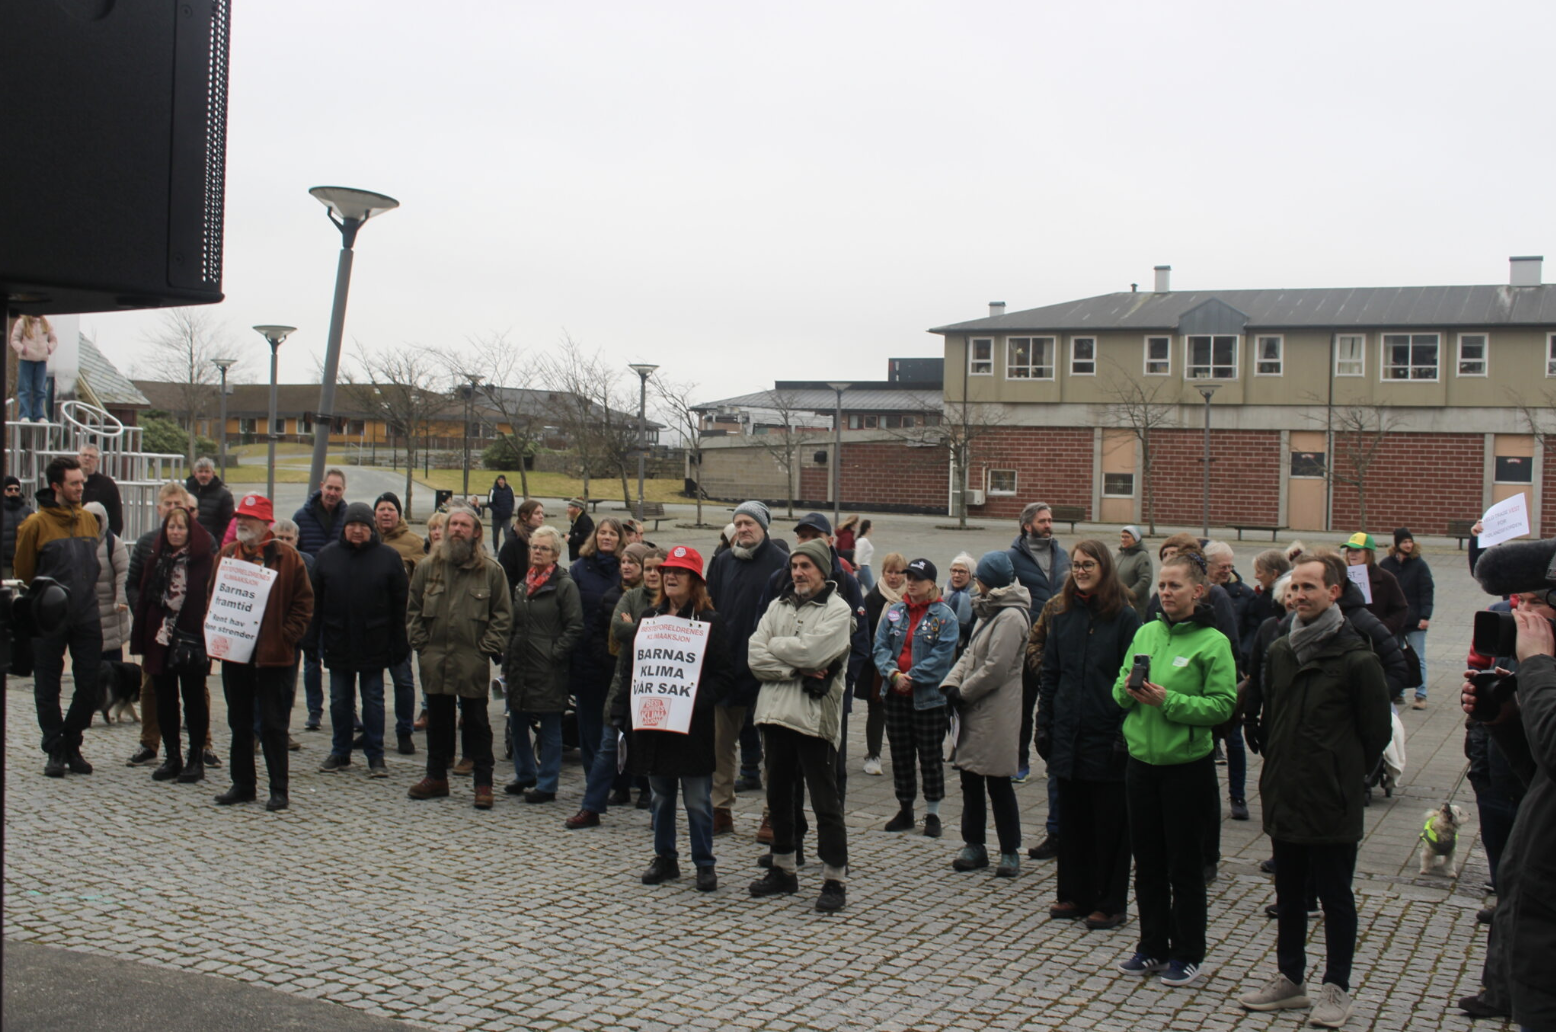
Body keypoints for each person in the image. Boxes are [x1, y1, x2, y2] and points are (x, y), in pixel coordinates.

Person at [1237, 554, 1390, 1029]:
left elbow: (1375, 734)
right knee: (1288, 894)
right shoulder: (1282, 649)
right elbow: (1273, 713)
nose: (1299, 596)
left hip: (1331, 797)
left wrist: (1340, 773)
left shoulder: (1358, 658)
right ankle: (1290, 979)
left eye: (1309, 588)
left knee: (1335, 896)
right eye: (1294, 588)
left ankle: (1336, 987)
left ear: (1334, 592)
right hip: (1286, 790)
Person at [1111, 546, 1236, 989]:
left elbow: (1223, 706)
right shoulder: (1145, 632)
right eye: (1161, 585)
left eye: (1174, 585)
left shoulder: (1212, 642)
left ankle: (1187, 952)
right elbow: (1118, 688)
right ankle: (1151, 946)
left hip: (1186, 768)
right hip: (1141, 763)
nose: (1165, 592)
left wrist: (1170, 701)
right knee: (1147, 862)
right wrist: (1127, 691)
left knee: (1183, 865)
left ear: (1197, 591)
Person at [1459, 597, 1556, 1029]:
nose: (1527, 618)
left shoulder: (1541, 666)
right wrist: (1508, 721)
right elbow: (1543, 775)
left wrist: (1536, 665)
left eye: (1539, 604)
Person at [1039, 540, 1143, 928]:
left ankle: (1110, 901)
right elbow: (1051, 674)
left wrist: (1121, 734)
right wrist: (1044, 723)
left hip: (1106, 733)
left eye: (1089, 565)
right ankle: (1073, 895)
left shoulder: (1126, 619)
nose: (1081, 571)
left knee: (1109, 825)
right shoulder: (1063, 616)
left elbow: (1131, 682)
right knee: (1073, 819)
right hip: (1069, 732)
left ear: (1105, 568)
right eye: (1076, 565)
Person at [747, 538, 854, 912]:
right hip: (775, 714)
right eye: (794, 566)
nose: (798, 573)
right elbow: (754, 656)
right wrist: (796, 667)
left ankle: (834, 879)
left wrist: (780, 647)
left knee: (825, 802)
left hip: (813, 717)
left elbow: (816, 652)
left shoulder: (839, 612)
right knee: (778, 797)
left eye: (806, 566)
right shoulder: (777, 605)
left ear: (823, 571)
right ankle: (783, 869)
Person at [629, 546, 732, 892]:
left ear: (695, 581)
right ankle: (665, 858)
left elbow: (724, 675)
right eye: (667, 570)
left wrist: (693, 702)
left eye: (680, 572)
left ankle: (704, 863)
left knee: (698, 801)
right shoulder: (649, 618)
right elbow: (634, 670)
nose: (670, 576)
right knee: (660, 796)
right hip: (656, 726)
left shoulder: (710, 622)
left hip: (693, 728)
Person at [211, 494, 314, 811]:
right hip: (236, 654)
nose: (241, 522)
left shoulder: (288, 557)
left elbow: (304, 604)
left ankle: (278, 789)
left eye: (249, 518)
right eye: (240, 516)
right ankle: (242, 785)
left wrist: (286, 638)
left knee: (273, 724)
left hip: (274, 656)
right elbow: (212, 597)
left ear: (266, 523)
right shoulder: (227, 555)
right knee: (239, 722)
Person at [404, 507, 511, 809]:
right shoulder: (428, 568)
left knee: (477, 723)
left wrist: (485, 649)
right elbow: (412, 610)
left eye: (464, 525)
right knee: (438, 721)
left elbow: (503, 615)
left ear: (476, 532)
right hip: (435, 659)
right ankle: (435, 777)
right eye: (453, 524)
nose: (457, 530)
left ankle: (483, 783)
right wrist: (422, 647)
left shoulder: (491, 571)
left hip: (471, 661)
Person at [702, 500, 791, 833]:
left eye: (749, 524)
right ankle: (720, 808)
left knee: (773, 748)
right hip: (726, 668)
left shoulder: (781, 564)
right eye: (738, 524)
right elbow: (709, 605)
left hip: (765, 671)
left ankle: (772, 813)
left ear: (764, 526)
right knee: (721, 745)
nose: (742, 529)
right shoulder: (723, 561)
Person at [941, 551, 1031, 877]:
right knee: (970, 780)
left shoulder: (1011, 617)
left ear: (987, 581)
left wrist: (962, 694)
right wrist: (950, 683)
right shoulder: (989, 609)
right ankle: (974, 844)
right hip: (973, 709)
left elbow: (995, 669)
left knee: (998, 784)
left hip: (995, 712)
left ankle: (1009, 850)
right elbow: (969, 653)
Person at [15, 456, 102, 777]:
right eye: (74, 483)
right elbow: (24, 572)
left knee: (90, 684)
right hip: (48, 619)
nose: (81, 487)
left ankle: (71, 741)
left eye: (82, 482)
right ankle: (54, 747)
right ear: (56, 487)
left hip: (87, 614)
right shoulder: (34, 525)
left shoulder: (89, 519)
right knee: (47, 686)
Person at [310, 502, 410, 778]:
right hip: (337, 640)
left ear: (372, 528)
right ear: (344, 528)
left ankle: (375, 756)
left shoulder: (389, 558)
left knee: (374, 700)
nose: (357, 530)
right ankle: (340, 752)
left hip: (375, 642)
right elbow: (314, 603)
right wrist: (311, 641)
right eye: (352, 525)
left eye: (363, 526)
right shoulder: (327, 556)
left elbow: (401, 605)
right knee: (340, 700)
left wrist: (401, 642)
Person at [571, 546, 667, 828]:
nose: (651, 574)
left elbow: (669, 637)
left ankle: (658, 812)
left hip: (657, 686)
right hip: (625, 683)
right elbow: (618, 629)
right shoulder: (630, 596)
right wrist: (650, 629)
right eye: (647, 568)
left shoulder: (673, 602)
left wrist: (636, 627)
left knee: (656, 752)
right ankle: (591, 807)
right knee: (607, 747)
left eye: (657, 569)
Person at [124, 484, 217, 768]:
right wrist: (145, 617)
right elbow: (135, 585)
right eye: (171, 526)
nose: (176, 530)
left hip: (191, 638)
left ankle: (199, 754)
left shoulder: (205, 553)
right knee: (160, 696)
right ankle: (166, 753)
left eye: (182, 525)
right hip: (160, 638)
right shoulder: (152, 552)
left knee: (194, 696)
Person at [872, 557, 958, 836]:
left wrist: (914, 678)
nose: (910, 582)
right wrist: (894, 675)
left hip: (930, 699)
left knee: (930, 757)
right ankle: (905, 809)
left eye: (917, 579)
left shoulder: (945, 616)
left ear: (931, 583)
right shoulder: (895, 612)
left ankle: (932, 814)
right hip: (896, 694)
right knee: (901, 755)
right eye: (909, 577)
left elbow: (943, 657)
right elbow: (880, 646)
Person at [502, 525, 583, 803]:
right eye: (534, 547)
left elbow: (574, 627)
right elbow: (514, 625)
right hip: (520, 664)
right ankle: (525, 773)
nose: (537, 552)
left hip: (548, 667)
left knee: (550, 727)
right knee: (517, 721)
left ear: (556, 553)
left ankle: (547, 783)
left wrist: (553, 654)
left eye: (543, 548)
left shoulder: (564, 585)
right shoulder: (523, 584)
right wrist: (507, 657)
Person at [1008, 501, 1071, 786]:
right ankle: (1020, 761)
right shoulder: (1012, 558)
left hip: (1059, 643)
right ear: (1027, 525)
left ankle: (1053, 761)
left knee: (1057, 706)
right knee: (1023, 708)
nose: (1048, 525)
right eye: (1042, 521)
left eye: (1050, 520)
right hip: (1025, 644)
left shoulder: (1063, 556)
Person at [569, 517, 625, 785]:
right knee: (589, 723)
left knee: (615, 722)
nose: (607, 537)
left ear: (619, 540)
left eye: (612, 534)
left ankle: (618, 779)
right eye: (602, 532)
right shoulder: (580, 569)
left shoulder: (624, 569)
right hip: (586, 655)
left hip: (616, 658)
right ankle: (593, 777)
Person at [372, 492, 423, 755]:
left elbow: (423, 583)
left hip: (401, 624)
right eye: (381, 509)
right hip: (370, 624)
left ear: (399, 514)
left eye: (391, 509)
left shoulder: (414, 543)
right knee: (372, 686)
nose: (386, 513)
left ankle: (404, 732)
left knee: (402, 680)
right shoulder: (365, 539)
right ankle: (373, 734)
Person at [859, 552, 908, 776]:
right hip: (877, 664)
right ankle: (873, 753)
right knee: (877, 708)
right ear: (882, 573)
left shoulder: (910, 597)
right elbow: (865, 631)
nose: (893, 577)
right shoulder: (872, 598)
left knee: (902, 711)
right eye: (889, 572)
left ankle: (903, 754)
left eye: (898, 573)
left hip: (904, 664)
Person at [1379, 527, 1434, 709]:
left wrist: (1425, 616)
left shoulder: (1419, 565)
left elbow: (1427, 591)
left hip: (1414, 619)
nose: (1408, 545)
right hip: (1393, 620)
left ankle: (1421, 695)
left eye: (1410, 541)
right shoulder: (1386, 564)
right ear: (1397, 544)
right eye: (1404, 542)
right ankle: (1398, 692)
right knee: (1394, 656)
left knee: (1418, 657)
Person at [1339, 531, 1409, 638]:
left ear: (1368, 553)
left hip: (1375, 641)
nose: (1352, 554)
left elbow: (1401, 609)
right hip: (1347, 639)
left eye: (1357, 550)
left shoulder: (1386, 578)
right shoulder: (1340, 577)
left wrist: (1383, 628)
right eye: (1349, 550)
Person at [84, 501, 129, 661]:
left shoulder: (114, 544)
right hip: (86, 608)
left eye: (97, 519)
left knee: (111, 657)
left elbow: (124, 572)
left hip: (110, 608)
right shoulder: (77, 541)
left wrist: (121, 600)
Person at [10, 313, 58, 421]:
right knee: (24, 388)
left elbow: (54, 340)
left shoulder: (45, 323)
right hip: (26, 360)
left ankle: (39, 415)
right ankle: (24, 415)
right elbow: (14, 339)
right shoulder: (22, 322)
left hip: (41, 360)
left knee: (40, 390)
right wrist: (23, 349)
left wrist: (49, 349)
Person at [292, 467, 350, 556]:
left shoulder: (348, 519)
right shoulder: (301, 517)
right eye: (329, 487)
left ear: (344, 490)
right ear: (322, 486)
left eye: (337, 489)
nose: (332, 493)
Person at [497, 498, 546, 596]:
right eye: (537, 513)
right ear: (524, 516)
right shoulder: (512, 542)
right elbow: (505, 577)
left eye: (542, 513)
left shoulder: (543, 538)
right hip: (519, 597)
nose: (541, 516)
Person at [185, 457, 234, 548]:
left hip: (212, 545)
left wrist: (216, 544)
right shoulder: (185, 493)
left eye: (207, 471)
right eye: (200, 471)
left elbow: (228, 523)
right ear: (195, 473)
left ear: (213, 474)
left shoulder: (224, 495)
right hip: (187, 542)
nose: (203, 475)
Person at [78, 444, 123, 536]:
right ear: (78, 457)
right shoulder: (69, 481)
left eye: (91, 456)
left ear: (97, 461)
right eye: (84, 455)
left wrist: (111, 540)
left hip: (99, 537)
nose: (87, 458)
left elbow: (116, 517)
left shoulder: (107, 484)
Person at [1117, 525, 1153, 615]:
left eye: (1127, 537)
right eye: (1122, 536)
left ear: (1135, 539)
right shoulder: (1119, 555)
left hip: (1136, 605)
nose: (1123, 539)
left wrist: (1132, 593)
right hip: (1119, 601)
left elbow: (1146, 579)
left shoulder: (1142, 556)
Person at [944, 553, 977, 651]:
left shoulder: (979, 598)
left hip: (968, 648)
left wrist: (961, 626)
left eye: (962, 572)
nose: (956, 575)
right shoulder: (942, 594)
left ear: (971, 574)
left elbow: (980, 629)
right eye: (953, 571)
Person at [2, 475, 35, 575]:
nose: (13, 491)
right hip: (4, 562)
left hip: (22, 560)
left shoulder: (27, 511)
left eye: (16, 489)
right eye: (10, 489)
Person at [487, 475, 515, 552]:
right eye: (499, 480)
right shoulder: (493, 490)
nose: (501, 481)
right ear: (497, 481)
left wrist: (511, 510)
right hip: (496, 517)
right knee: (495, 534)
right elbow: (490, 503)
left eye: (502, 479)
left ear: (505, 481)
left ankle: (507, 550)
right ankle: (496, 549)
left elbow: (513, 501)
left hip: (507, 516)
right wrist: (498, 510)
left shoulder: (510, 489)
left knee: (508, 533)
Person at [565, 497, 594, 561]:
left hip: (581, 558)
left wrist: (571, 539)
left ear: (577, 509)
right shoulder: (576, 519)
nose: (567, 509)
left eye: (570, 507)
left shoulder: (584, 520)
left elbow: (587, 537)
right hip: (576, 557)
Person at [853, 519, 875, 591]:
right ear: (868, 529)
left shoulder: (862, 540)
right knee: (872, 589)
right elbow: (858, 555)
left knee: (857, 589)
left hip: (861, 567)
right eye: (871, 527)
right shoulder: (863, 541)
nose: (872, 529)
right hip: (863, 567)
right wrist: (855, 571)